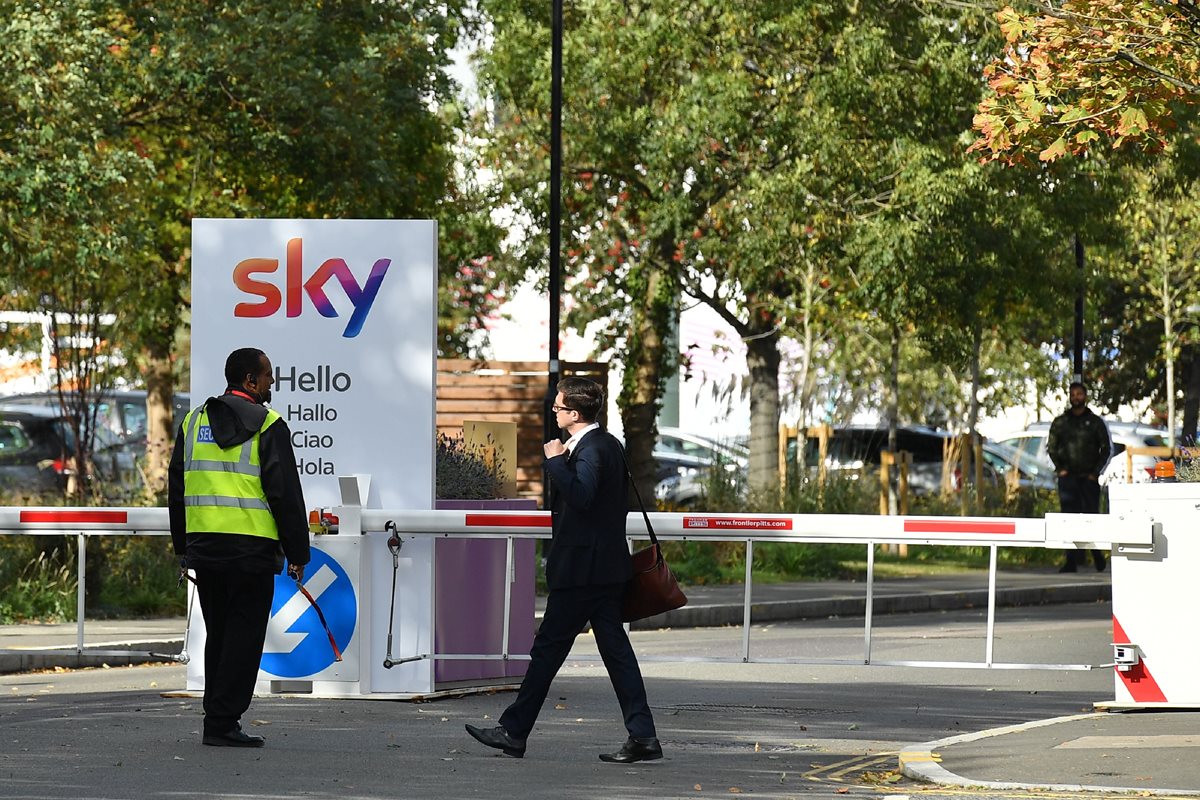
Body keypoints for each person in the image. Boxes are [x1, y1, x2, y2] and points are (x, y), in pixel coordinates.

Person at [465, 376, 661, 763]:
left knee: (547, 651)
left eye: (557, 408)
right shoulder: (608, 445)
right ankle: (643, 737)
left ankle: (513, 731)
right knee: (616, 654)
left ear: (574, 413)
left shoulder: (588, 450)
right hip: (605, 570)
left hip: (581, 573)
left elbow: (583, 496)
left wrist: (555, 461)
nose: (554, 412)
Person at [169, 347, 310, 747]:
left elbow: (176, 490)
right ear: (250, 380)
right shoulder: (269, 424)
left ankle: (217, 718)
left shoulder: (194, 421)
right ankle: (223, 721)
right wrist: (299, 552)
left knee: (219, 635)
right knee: (243, 639)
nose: (271, 383)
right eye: (267, 376)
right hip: (251, 550)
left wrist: (183, 546)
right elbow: (284, 495)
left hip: (206, 548)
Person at [1046, 381, 1112, 573]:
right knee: (1069, 518)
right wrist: (1060, 469)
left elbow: (1106, 448)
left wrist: (1095, 472)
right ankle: (1071, 560)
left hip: (1088, 479)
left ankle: (1096, 554)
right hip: (1068, 479)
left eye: (1079, 394)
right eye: (1073, 394)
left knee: (1091, 517)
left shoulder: (1095, 422)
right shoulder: (1061, 422)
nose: (1076, 397)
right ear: (1069, 396)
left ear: (1085, 396)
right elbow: (1052, 447)